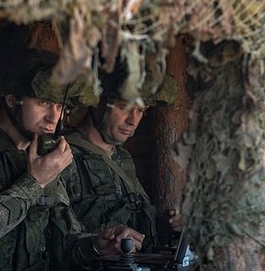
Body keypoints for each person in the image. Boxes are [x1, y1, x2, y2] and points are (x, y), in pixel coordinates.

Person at [0, 53, 144, 271]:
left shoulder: (43, 155)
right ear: (13, 99)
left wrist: (96, 245)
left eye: (61, 107)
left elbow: (64, 241)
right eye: (43, 103)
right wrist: (34, 181)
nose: (54, 118)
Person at [59, 67, 183, 253]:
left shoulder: (122, 158)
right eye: (124, 106)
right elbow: (56, 243)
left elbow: (133, 219)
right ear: (96, 102)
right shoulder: (63, 156)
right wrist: (96, 246)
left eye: (140, 110)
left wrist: (167, 227)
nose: (132, 120)